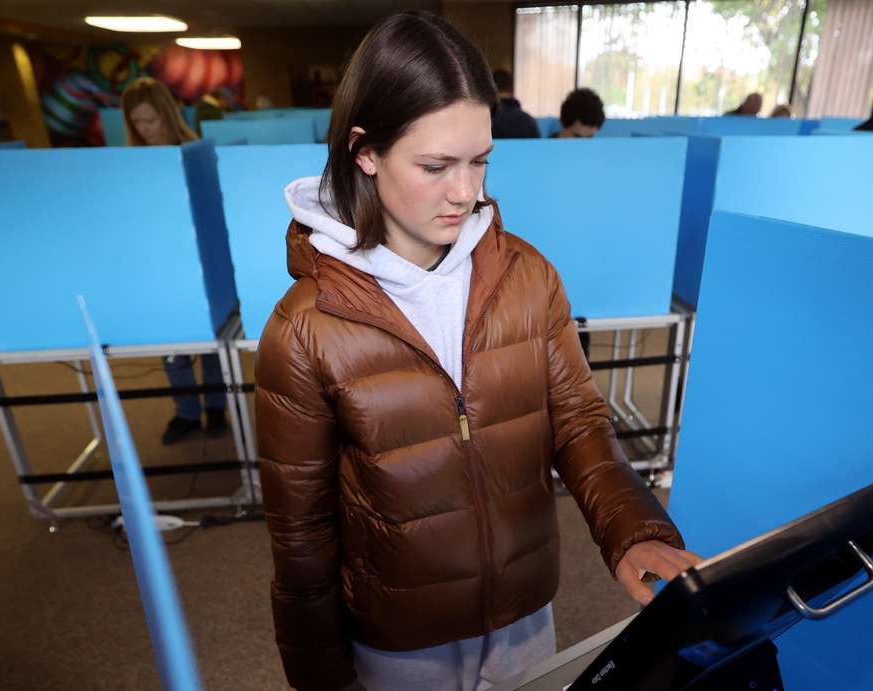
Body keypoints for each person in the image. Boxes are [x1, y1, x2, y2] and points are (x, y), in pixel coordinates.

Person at [257, 11, 699, 691]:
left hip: (526, 615)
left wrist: (631, 525)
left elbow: (578, 422)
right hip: (402, 642)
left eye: (479, 161)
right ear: (365, 152)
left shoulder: (528, 276)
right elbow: (302, 540)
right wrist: (321, 678)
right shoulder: (306, 328)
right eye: (435, 166)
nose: (465, 192)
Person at [120, 77, 229, 444]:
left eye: (152, 119)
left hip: (200, 263)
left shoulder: (194, 153)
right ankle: (186, 412)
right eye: (138, 122)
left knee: (210, 343)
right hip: (159, 266)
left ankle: (216, 408)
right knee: (172, 348)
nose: (146, 129)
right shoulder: (132, 162)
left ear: (167, 114)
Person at [490, 69, 540, 139]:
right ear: (512, 89)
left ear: (490, 90)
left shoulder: (486, 121)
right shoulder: (528, 121)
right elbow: (536, 148)